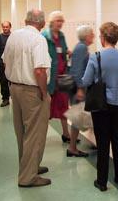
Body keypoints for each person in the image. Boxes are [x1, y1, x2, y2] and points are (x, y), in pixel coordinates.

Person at [2, 9, 52, 187]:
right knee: (34, 133)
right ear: (42, 23)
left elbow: (5, 62)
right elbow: (39, 70)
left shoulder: (14, 36)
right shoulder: (38, 39)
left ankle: (30, 167)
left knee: (21, 132)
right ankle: (28, 177)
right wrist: (43, 92)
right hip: (32, 90)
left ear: (25, 20)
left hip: (15, 87)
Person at [82, 22, 118, 191]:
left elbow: (86, 81)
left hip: (101, 106)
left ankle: (101, 182)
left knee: (103, 143)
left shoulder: (96, 57)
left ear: (103, 38)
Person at [42, 11, 71, 143]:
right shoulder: (44, 36)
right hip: (49, 79)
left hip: (62, 77)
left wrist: (68, 52)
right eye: (58, 20)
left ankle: (66, 134)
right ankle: (40, 136)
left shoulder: (62, 36)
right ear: (51, 21)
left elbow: (63, 51)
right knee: (46, 108)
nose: (60, 23)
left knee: (64, 106)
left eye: (61, 21)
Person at [67, 25, 95, 157]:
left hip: (80, 87)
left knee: (79, 117)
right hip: (79, 88)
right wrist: (79, 89)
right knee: (77, 118)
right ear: (87, 36)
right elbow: (77, 70)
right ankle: (72, 148)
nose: (93, 36)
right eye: (92, 34)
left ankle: (88, 142)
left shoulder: (81, 47)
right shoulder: (82, 48)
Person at [0, 21, 12, 107]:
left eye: (7, 27)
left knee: (13, 82)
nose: (5, 28)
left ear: (10, 27)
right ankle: (5, 99)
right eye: (4, 27)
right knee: (3, 82)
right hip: (1, 64)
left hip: (12, 64)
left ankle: (14, 98)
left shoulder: (14, 37)